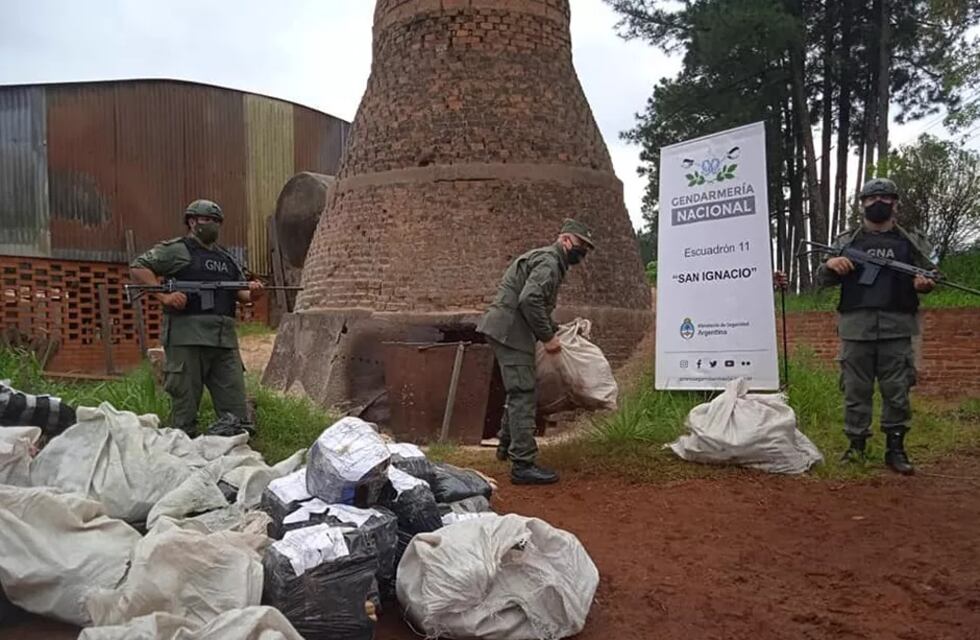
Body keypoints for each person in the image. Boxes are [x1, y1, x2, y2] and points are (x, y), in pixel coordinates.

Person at [815, 177, 936, 475]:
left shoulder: (912, 241)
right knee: (856, 389)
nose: (878, 203)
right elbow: (821, 276)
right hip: (856, 327)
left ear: (895, 203)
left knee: (897, 390)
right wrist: (832, 265)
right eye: (872, 198)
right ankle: (856, 447)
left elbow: (932, 273)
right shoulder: (846, 241)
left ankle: (896, 448)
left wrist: (925, 283)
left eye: (885, 197)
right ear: (862, 204)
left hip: (898, 326)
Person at [130, 199, 265, 437]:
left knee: (236, 413)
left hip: (224, 341)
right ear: (192, 222)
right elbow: (139, 267)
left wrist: (254, 292)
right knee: (184, 411)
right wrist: (165, 296)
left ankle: (231, 452)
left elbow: (240, 293)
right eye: (207, 220)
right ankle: (182, 455)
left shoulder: (227, 258)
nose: (212, 225)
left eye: (216, 221)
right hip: (187, 338)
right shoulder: (177, 250)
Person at [477, 218, 596, 486]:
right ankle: (523, 465)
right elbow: (530, 300)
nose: (584, 252)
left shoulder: (549, 260)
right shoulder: (550, 261)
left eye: (587, 248)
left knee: (518, 388)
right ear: (566, 240)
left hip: (507, 328)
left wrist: (556, 328)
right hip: (511, 330)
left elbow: (536, 304)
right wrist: (549, 337)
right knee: (524, 392)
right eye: (581, 245)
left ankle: (506, 446)